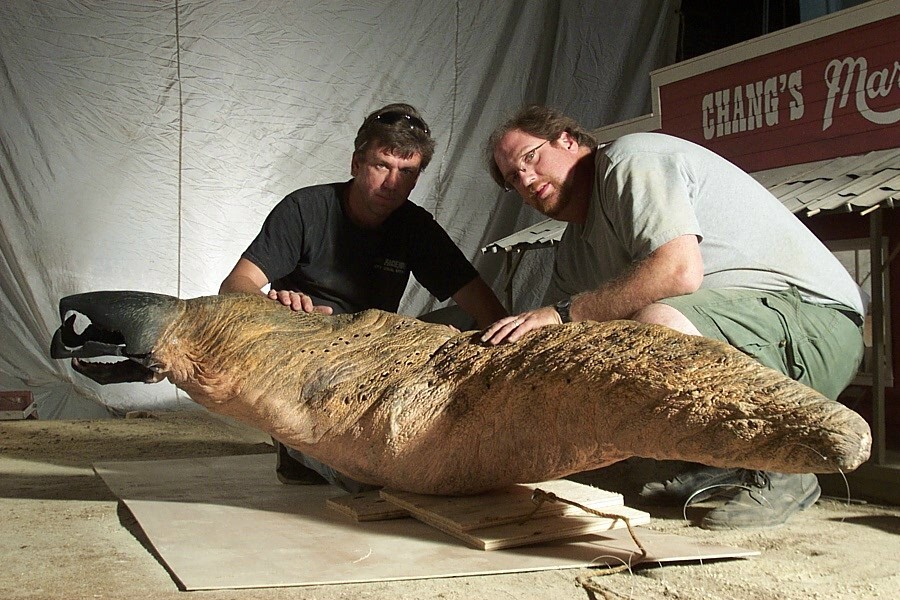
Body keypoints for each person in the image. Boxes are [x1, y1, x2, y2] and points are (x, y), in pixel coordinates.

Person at [481, 104, 866, 530]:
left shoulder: (631, 159)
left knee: (656, 327)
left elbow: (678, 272)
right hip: (747, 333)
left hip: (814, 324)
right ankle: (721, 464)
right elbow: (561, 343)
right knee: (598, 377)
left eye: (530, 157)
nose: (526, 179)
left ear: (567, 140)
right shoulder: (575, 248)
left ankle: (784, 465)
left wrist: (562, 313)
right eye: (513, 177)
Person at [220, 102, 507, 491]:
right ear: (356, 163)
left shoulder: (415, 226)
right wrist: (272, 307)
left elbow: (488, 310)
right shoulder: (304, 208)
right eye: (381, 165)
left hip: (375, 360)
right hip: (309, 362)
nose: (392, 182)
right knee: (369, 476)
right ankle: (298, 446)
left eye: (407, 172)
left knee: (486, 328)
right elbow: (234, 286)